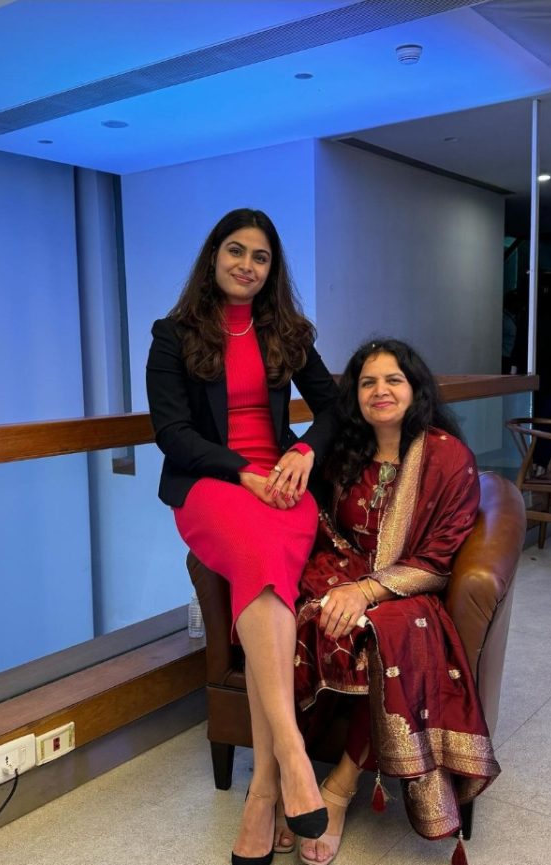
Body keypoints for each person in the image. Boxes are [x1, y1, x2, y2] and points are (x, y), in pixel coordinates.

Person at [146, 208, 340, 864]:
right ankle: (292, 755)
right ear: (214, 256)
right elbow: (173, 434)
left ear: (271, 269)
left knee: (265, 580)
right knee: (260, 558)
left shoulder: (286, 331)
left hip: (282, 488)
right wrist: (242, 472)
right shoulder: (173, 335)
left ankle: (263, 792)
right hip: (212, 486)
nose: (247, 265)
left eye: (260, 257)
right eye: (236, 251)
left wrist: (305, 451)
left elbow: (334, 408)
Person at [290, 338, 497, 865]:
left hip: (408, 588)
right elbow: (319, 524)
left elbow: (439, 557)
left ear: (415, 388)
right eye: (367, 382)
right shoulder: (343, 452)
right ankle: (284, 777)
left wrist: (366, 591)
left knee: (386, 634)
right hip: (339, 570)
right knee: (301, 620)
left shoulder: (447, 457)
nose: (379, 391)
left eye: (392, 380)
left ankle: (338, 788)